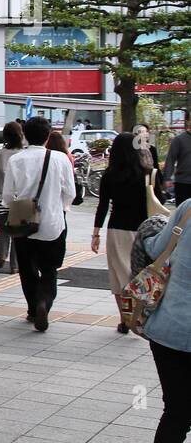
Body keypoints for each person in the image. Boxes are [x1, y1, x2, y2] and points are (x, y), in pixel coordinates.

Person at [140, 197, 191, 443]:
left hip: (169, 330)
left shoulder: (189, 206)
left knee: (176, 412)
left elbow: (157, 245)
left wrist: (147, 232)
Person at [4, 116, 76, 331]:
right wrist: (58, 206)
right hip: (53, 224)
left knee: (27, 269)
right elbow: (70, 193)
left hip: (23, 223)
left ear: (25, 134)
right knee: (50, 269)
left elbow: (8, 197)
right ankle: (44, 302)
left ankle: (32, 309)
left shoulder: (16, 160)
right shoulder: (60, 159)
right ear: (47, 136)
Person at [91, 133, 146, 334]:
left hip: (117, 230)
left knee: (118, 276)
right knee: (139, 274)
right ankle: (139, 316)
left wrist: (95, 234)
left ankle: (125, 319)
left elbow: (103, 206)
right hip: (143, 230)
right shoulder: (145, 174)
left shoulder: (109, 175)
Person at [0, 119, 24, 272]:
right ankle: (15, 265)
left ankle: (2, 255)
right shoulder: (24, 155)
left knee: (4, 228)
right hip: (19, 198)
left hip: (0, 197)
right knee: (17, 232)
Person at [163, 120, 191, 207]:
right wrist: (167, 178)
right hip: (183, 182)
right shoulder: (179, 139)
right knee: (182, 212)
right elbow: (171, 159)